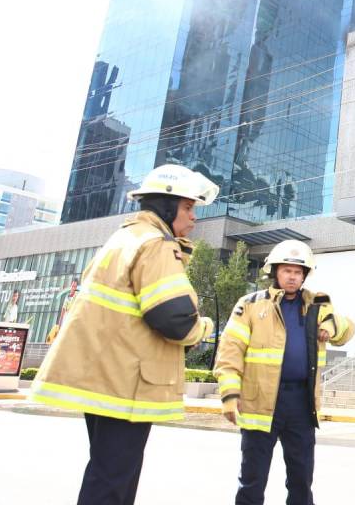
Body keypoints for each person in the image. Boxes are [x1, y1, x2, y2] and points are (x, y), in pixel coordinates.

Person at [29, 164, 218, 505]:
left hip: (107, 374)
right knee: (114, 481)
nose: (193, 218)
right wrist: (203, 329)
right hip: (127, 381)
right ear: (166, 205)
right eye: (188, 208)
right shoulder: (156, 244)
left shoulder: (123, 238)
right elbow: (174, 318)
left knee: (105, 472)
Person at [215, 239, 355, 505]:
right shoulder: (250, 305)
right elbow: (229, 351)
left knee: (301, 480)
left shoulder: (317, 305)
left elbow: (347, 331)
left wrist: (333, 326)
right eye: (287, 270)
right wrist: (230, 394)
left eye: (298, 271)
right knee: (252, 480)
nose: (293, 276)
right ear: (275, 271)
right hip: (260, 402)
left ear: (304, 275)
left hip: (301, 404)